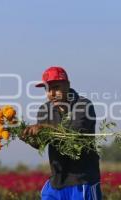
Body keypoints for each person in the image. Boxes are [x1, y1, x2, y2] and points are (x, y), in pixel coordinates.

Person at [21, 66, 102, 200]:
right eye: (47, 89)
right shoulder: (45, 109)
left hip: (82, 181)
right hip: (56, 182)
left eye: (56, 87)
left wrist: (43, 128)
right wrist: (25, 135)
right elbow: (40, 144)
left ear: (67, 85)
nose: (52, 93)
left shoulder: (83, 105)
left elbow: (72, 135)